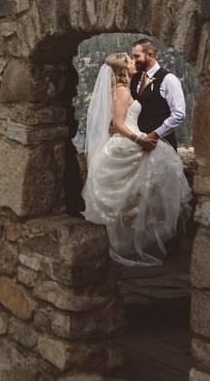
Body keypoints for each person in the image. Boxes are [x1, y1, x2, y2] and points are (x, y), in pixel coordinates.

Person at [81, 52, 192, 266]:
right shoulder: (122, 91)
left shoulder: (123, 89)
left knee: (137, 195)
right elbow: (120, 123)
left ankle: (137, 240)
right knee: (136, 195)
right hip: (129, 140)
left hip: (129, 137)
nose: (134, 63)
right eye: (130, 61)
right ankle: (138, 242)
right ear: (123, 69)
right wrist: (139, 140)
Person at [129, 38, 186, 152]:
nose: (133, 60)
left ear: (150, 55)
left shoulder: (169, 80)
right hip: (137, 145)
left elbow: (179, 114)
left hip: (162, 145)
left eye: (137, 56)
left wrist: (155, 135)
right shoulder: (134, 77)